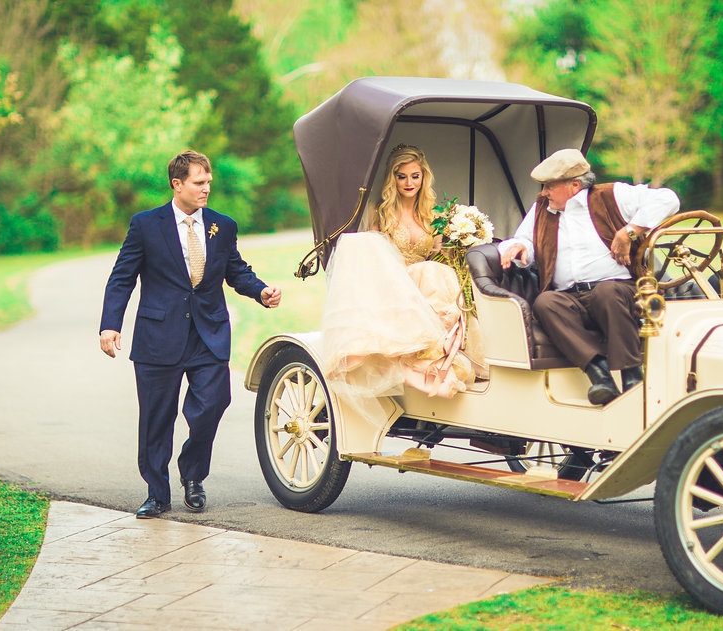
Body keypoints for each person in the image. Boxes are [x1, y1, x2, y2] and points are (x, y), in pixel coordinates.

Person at [99, 150, 281, 518]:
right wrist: (110, 324)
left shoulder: (222, 225)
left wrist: (259, 290)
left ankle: (193, 475)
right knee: (156, 419)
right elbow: (122, 276)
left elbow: (236, 270)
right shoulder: (145, 225)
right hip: (158, 336)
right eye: (199, 183)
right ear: (177, 184)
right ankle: (156, 492)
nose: (206, 189)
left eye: (209, 182)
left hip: (208, 334)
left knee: (212, 405)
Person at [320, 144, 486, 425]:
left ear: (424, 178)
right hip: (392, 284)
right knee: (431, 273)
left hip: (425, 282)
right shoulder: (379, 212)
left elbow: (438, 255)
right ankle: (431, 351)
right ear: (392, 179)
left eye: (415, 176)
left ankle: (447, 350)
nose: (409, 183)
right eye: (402, 176)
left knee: (441, 274)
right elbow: (372, 258)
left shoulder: (432, 215)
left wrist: (460, 243)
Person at [498, 148, 679, 406]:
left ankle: (632, 376)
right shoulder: (541, 208)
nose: (544, 192)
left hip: (619, 290)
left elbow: (668, 198)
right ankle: (600, 375)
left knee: (607, 292)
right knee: (545, 303)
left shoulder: (611, 195)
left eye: (549, 186)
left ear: (574, 185)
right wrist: (519, 247)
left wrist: (630, 231)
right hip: (569, 298)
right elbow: (521, 238)